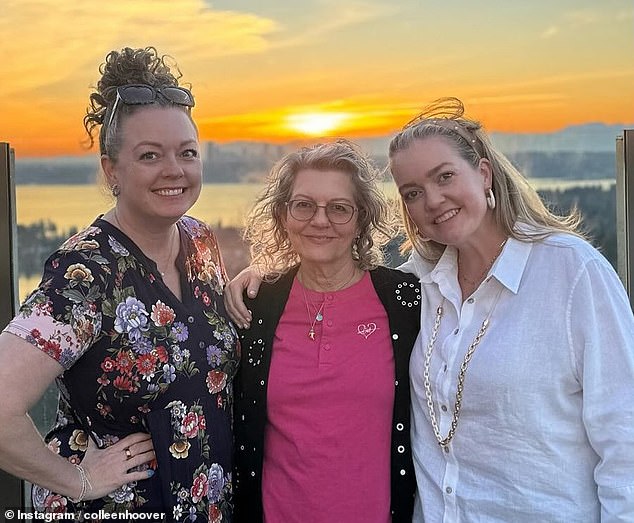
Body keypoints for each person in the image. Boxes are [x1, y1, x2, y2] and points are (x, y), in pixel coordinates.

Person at [226, 98, 634, 522]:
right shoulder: (423, 284)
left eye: (445, 177)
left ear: (484, 173)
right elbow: (332, 267)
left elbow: (625, 438)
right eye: (414, 193)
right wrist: (263, 273)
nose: (434, 200)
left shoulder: (571, 270)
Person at [0, 47, 239, 520]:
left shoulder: (200, 242)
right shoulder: (87, 272)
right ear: (112, 171)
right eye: (150, 155)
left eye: (187, 153)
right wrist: (78, 480)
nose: (175, 170)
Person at [231, 140, 420, 522]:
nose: (320, 221)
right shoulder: (257, 305)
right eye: (304, 205)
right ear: (284, 215)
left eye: (339, 208)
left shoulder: (404, 302)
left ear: (361, 218)